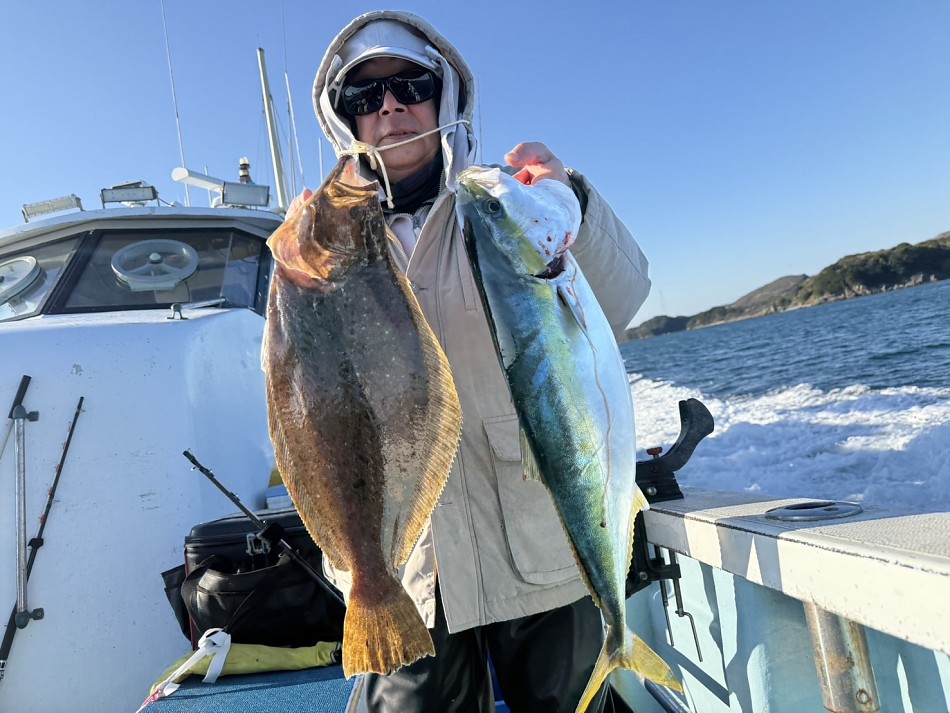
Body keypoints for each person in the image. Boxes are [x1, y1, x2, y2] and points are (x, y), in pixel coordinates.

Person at [301, 10, 652, 713]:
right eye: (365, 96)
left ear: (446, 96)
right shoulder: (325, 243)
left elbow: (623, 297)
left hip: (539, 538)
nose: (390, 107)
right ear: (346, 119)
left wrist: (573, 200)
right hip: (410, 565)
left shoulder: (501, 202)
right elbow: (305, 398)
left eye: (410, 86)